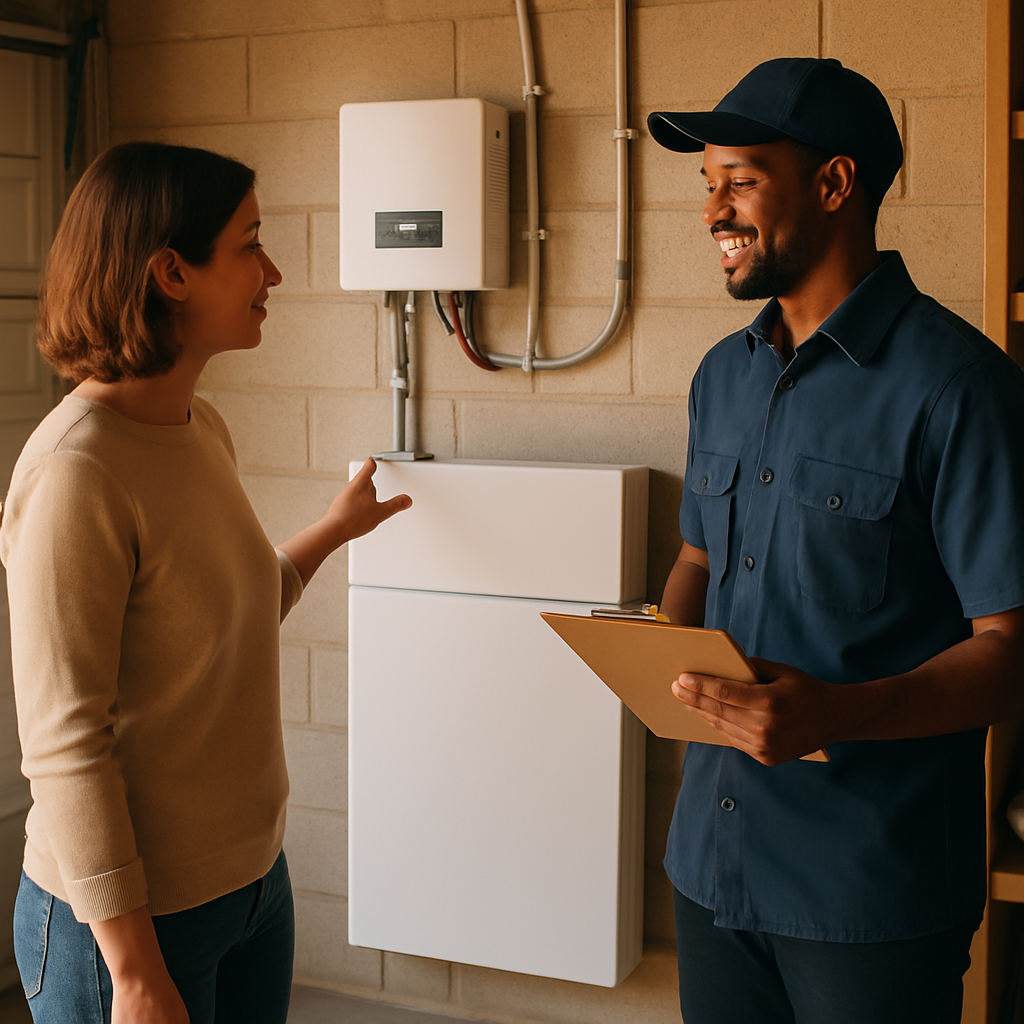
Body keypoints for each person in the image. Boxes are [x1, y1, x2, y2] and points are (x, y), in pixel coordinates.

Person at [647, 57, 1024, 1024]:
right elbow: (696, 559)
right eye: (707, 184)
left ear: (834, 183)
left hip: (869, 894)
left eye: (740, 181)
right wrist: (655, 653)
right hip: (712, 864)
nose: (711, 212)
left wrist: (838, 715)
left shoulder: (960, 389)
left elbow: (1010, 655)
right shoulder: (718, 379)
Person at [0, 141, 411, 1024]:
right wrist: (136, 970)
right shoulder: (76, 473)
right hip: (126, 928)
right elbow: (67, 744)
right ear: (171, 273)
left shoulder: (198, 426)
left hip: (254, 888)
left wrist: (335, 529)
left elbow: (234, 611)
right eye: (250, 243)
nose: (274, 270)